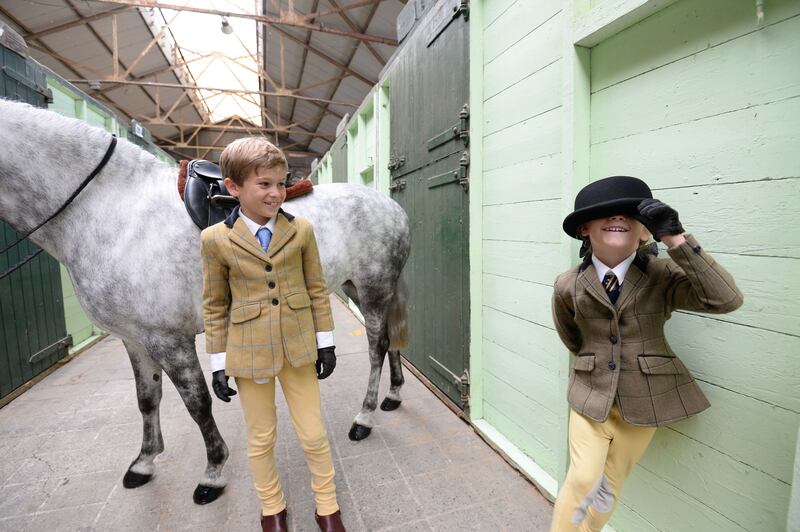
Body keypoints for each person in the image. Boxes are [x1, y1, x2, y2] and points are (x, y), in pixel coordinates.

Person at [550, 175, 743, 531]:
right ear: (584, 229)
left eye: (629, 213)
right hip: (590, 396)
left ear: (644, 232)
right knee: (583, 479)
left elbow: (725, 299)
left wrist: (676, 239)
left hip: (645, 399)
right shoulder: (568, 284)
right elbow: (571, 336)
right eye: (604, 213)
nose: (617, 217)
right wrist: (594, 365)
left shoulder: (664, 275)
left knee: (609, 484)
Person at [200, 137, 345, 532]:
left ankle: (328, 507)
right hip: (248, 353)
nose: (275, 193)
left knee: (314, 434)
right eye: (264, 184)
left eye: (280, 184)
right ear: (234, 187)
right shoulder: (214, 241)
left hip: (299, 347)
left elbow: (316, 288)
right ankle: (272, 509)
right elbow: (214, 305)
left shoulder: (301, 230)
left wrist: (326, 342)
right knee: (261, 439)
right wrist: (218, 363)